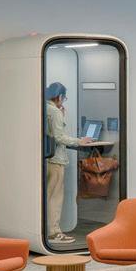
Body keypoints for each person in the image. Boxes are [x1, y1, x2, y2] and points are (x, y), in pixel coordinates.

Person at [44, 82, 93, 242]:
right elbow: (59, 137)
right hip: (56, 160)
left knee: (47, 195)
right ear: (59, 96)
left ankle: (46, 230)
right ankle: (53, 232)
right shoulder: (55, 112)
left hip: (45, 159)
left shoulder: (43, 108)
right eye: (63, 98)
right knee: (55, 197)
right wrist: (80, 141)